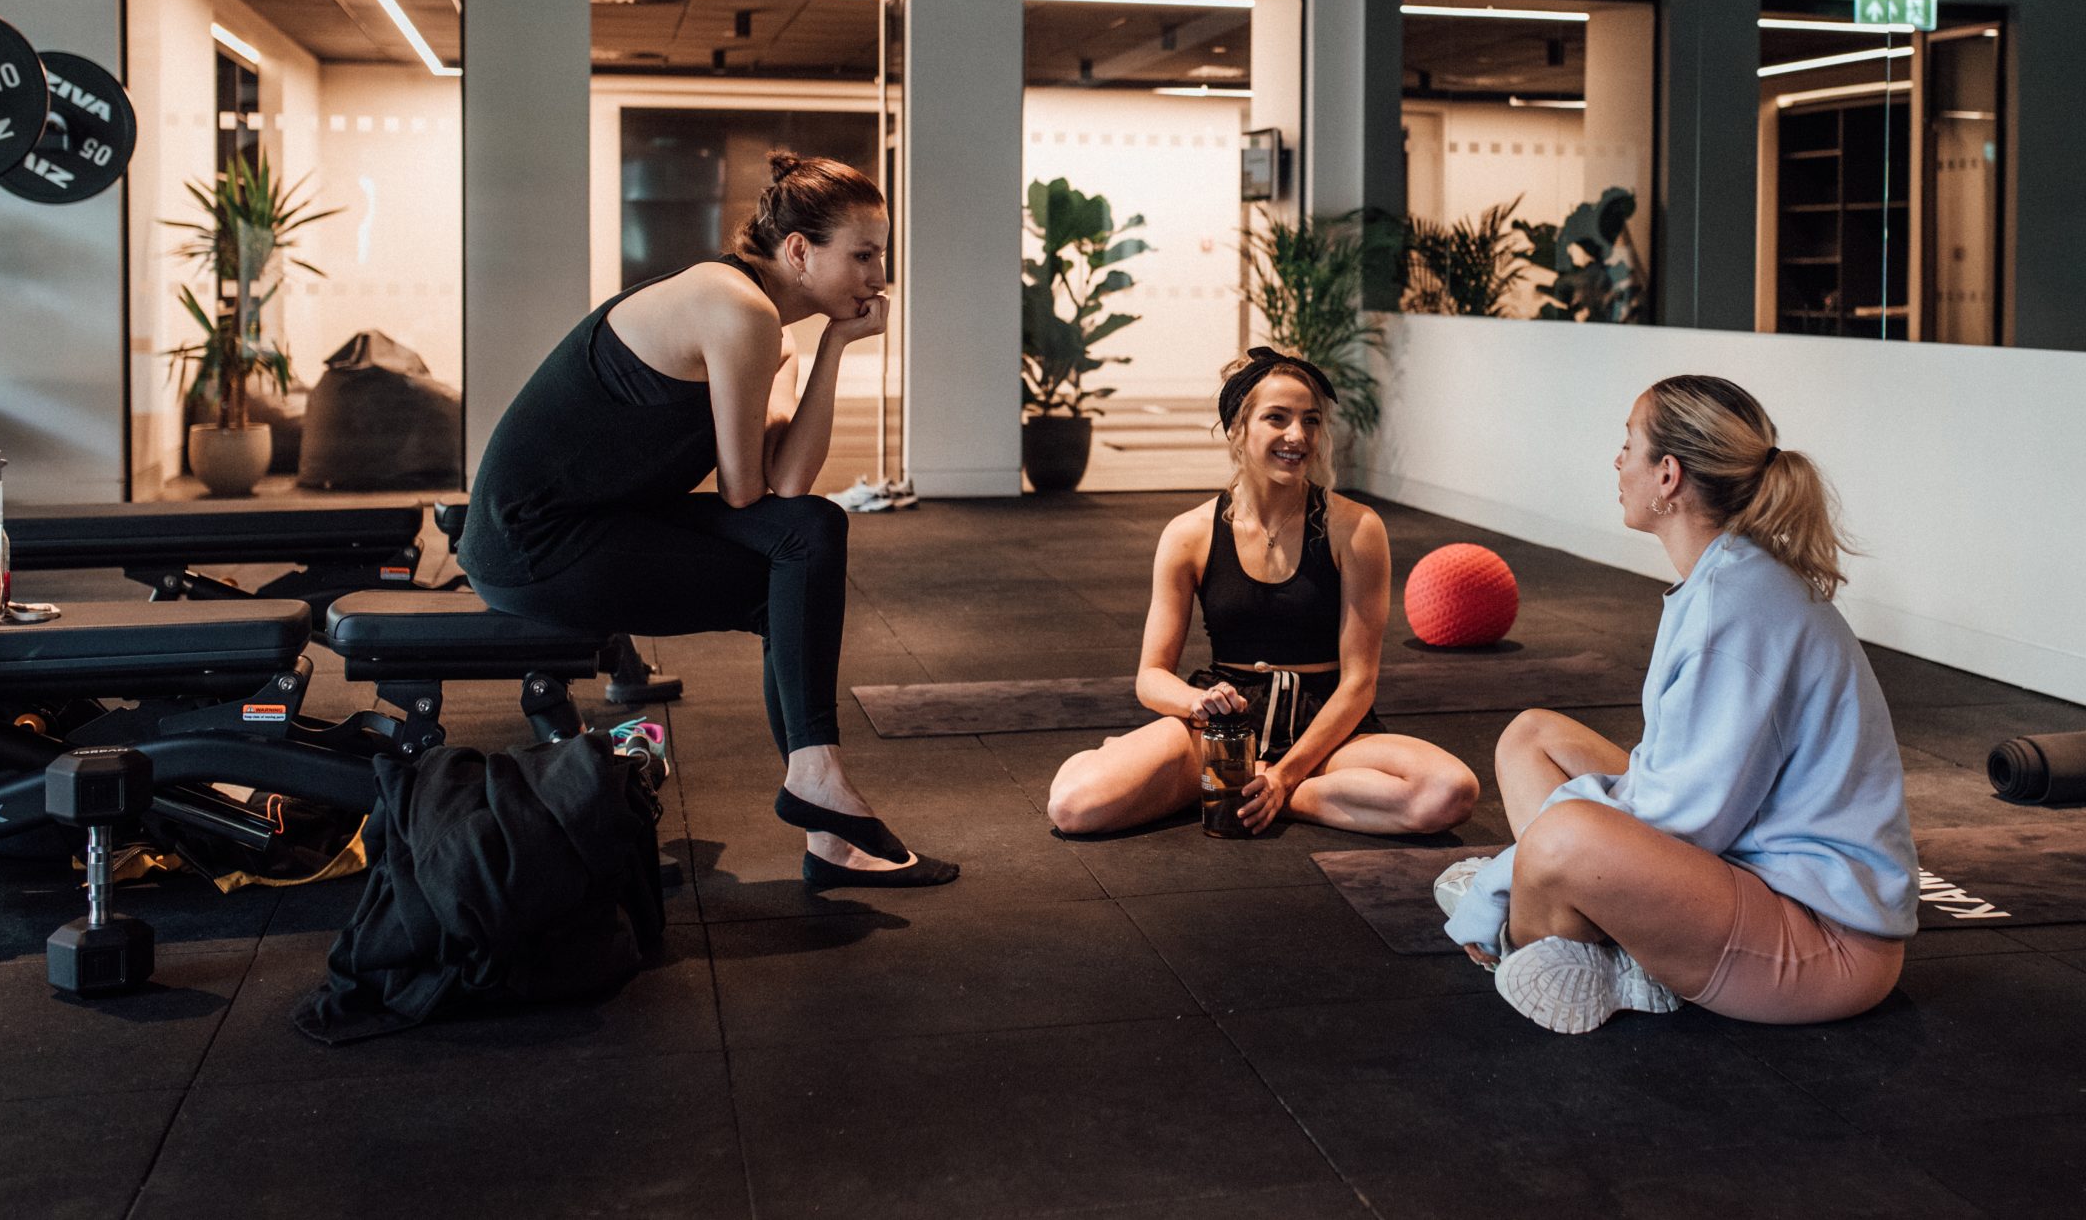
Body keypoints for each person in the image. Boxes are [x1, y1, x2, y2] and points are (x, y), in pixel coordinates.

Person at [461, 152, 954, 888]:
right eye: (863, 253)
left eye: (879, 253)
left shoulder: (768, 328)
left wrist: (834, 346)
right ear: (798, 251)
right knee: (794, 554)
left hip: (604, 520)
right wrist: (807, 358)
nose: (879, 272)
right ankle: (820, 792)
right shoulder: (736, 308)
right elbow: (746, 492)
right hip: (535, 544)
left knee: (811, 534)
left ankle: (824, 808)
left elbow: (790, 485)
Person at [1437, 375, 1915, 1033]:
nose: (1617, 461)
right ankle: (1605, 939)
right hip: (1750, 866)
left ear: (1668, 475)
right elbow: (1677, 782)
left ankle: (1574, 936)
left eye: (1627, 444)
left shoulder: (1734, 605)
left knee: (1560, 836)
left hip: (1825, 946)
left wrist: (1497, 885)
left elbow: (1685, 817)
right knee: (1532, 737)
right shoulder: (1724, 577)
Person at [1044, 348, 1479, 839]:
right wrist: (1197, 703)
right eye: (1277, 418)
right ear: (1237, 428)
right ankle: (1223, 777)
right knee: (1073, 805)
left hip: (1326, 726)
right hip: (1225, 722)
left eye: (1310, 421)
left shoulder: (1356, 529)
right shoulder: (1188, 534)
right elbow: (1150, 678)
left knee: (1450, 790)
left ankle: (1259, 792)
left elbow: (1359, 683)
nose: (1298, 436)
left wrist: (1284, 775)